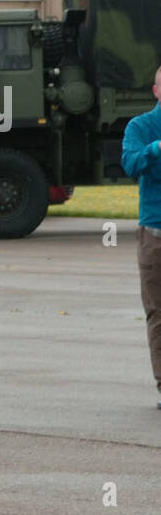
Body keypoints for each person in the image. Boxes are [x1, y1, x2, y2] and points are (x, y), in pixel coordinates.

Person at [120, 65, 161, 409]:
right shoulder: (141, 127)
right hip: (155, 236)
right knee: (158, 313)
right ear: (156, 91)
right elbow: (131, 164)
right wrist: (156, 150)